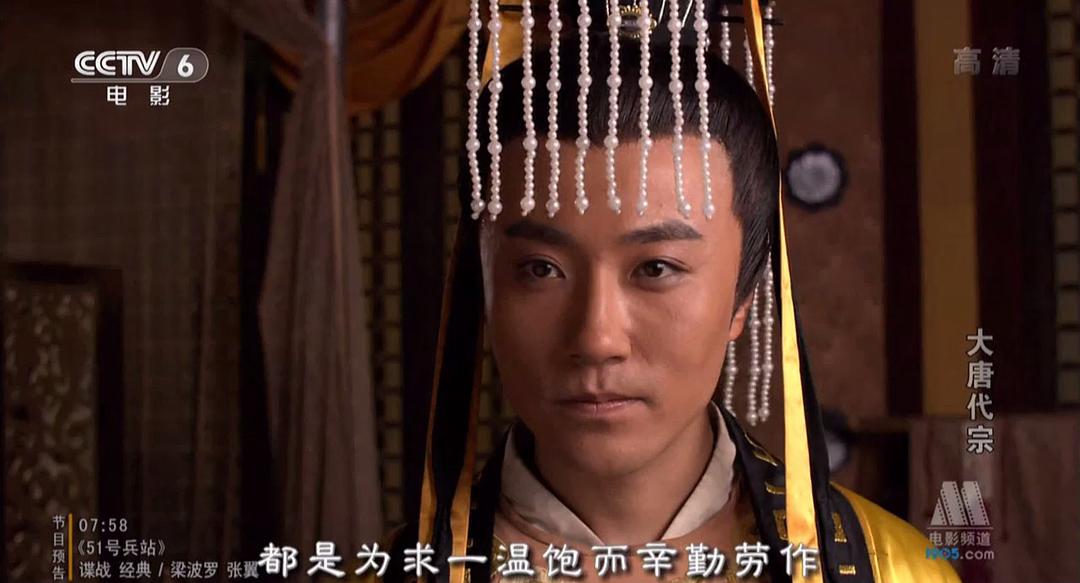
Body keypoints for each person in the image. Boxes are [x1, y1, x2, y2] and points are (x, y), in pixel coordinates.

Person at [368, 2, 962, 583]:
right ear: (484, 285)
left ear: (744, 294)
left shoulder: (892, 571)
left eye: (655, 268)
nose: (597, 339)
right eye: (541, 269)